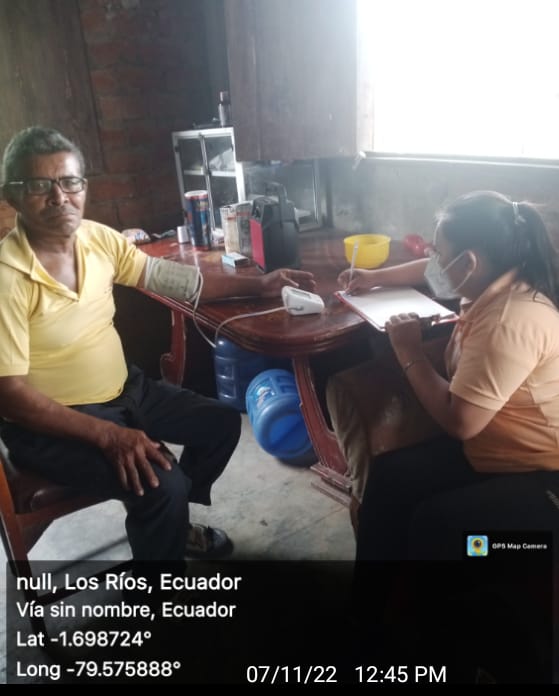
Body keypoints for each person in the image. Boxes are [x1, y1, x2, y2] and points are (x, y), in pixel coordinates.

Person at [0, 126, 315, 573]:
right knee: (162, 485)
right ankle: (157, 586)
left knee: (221, 424)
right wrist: (108, 435)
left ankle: (170, 525)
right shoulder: (7, 277)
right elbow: (10, 396)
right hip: (52, 425)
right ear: (12, 196)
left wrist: (260, 284)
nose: (59, 197)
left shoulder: (97, 238)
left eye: (69, 181)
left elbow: (170, 279)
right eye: (39, 185)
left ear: (83, 186)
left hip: (126, 391)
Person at [331, 190, 559, 560]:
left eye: (438, 252)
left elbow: (460, 422)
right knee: (389, 478)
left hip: (543, 472)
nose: (432, 259)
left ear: (469, 262)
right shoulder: (497, 277)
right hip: (495, 450)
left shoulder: (509, 319)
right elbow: (432, 270)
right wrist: (374, 277)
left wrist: (409, 351)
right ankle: (374, 596)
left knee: (439, 527)